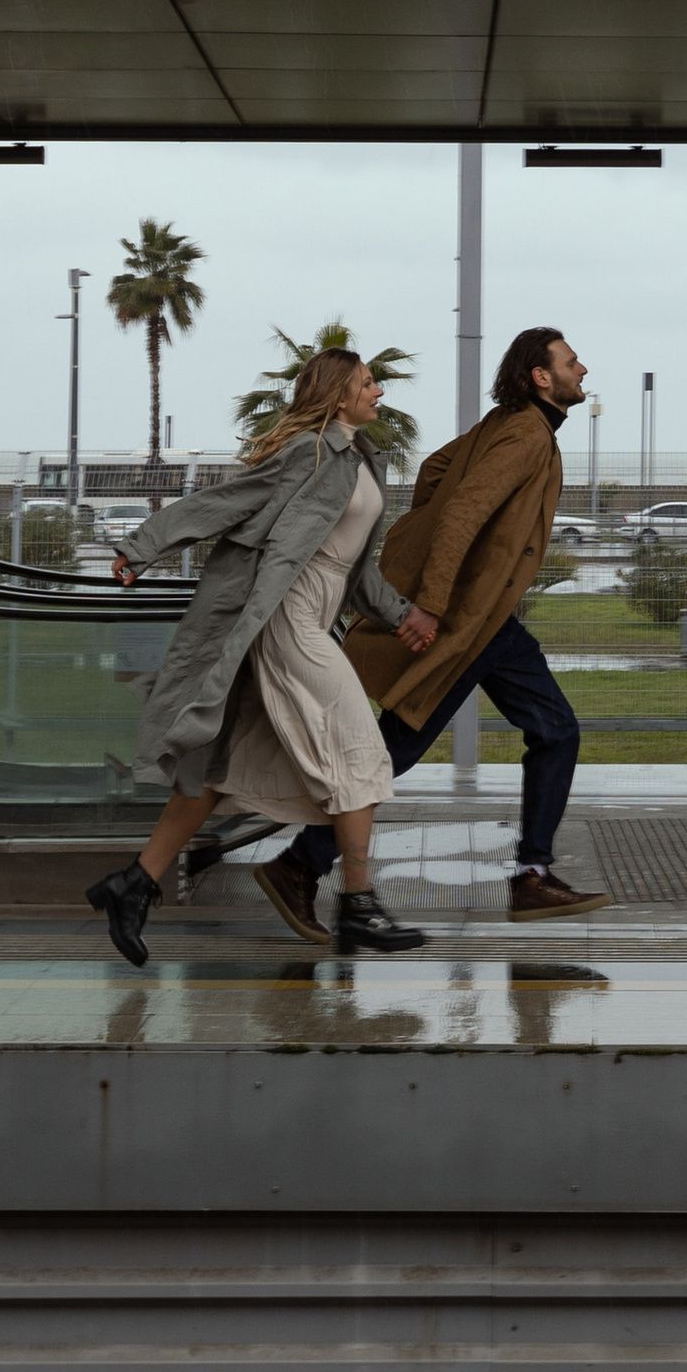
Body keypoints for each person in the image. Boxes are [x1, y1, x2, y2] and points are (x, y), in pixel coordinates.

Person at [83, 346, 440, 968]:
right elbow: (228, 501)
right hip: (287, 617)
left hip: (312, 617)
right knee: (361, 754)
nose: (378, 390)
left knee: (222, 766)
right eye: (367, 382)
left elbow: (352, 568)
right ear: (339, 394)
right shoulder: (310, 452)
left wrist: (399, 613)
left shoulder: (359, 459)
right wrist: (143, 545)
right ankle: (359, 906)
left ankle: (133, 884)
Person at [256, 324, 607, 941]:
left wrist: (433, 537)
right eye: (572, 362)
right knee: (401, 745)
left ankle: (530, 873)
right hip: (467, 621)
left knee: (548, 729)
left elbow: (437, 471)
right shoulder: (526, 434)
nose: (583, 370)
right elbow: (465, 510)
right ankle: (300, 864)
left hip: (486, 621)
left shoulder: (504, 424)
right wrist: (437, 601)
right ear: (540, 377)